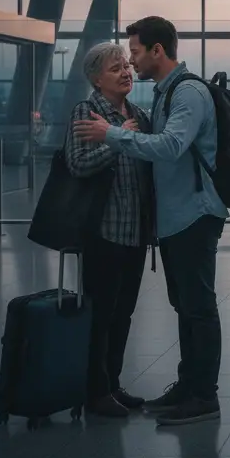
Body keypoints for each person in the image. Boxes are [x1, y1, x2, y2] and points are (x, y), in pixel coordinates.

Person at [74, 16, 227, 425]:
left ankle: (203, 395)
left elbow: (172, 145)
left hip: (193, 214)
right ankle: (188, 385)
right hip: (173, 220)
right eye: (122, 62)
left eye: (135, 54)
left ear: (157, 51)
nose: (131, 64)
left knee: (198, 307)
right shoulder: (161, 95)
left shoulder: (187, 93)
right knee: (185, 306)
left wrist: (112, 135)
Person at [65, 43, 154, 419]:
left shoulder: (138, 114)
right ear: (96, 78)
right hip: (103, 231)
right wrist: (118, 141)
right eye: (116, 68)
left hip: (135, 232)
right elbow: (77, 164)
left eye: (126, 67)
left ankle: (112, 384)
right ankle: (95, 391)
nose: (126, 73)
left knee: (124, 314)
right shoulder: (87, 112)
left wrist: (126, 134)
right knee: (100, 315)